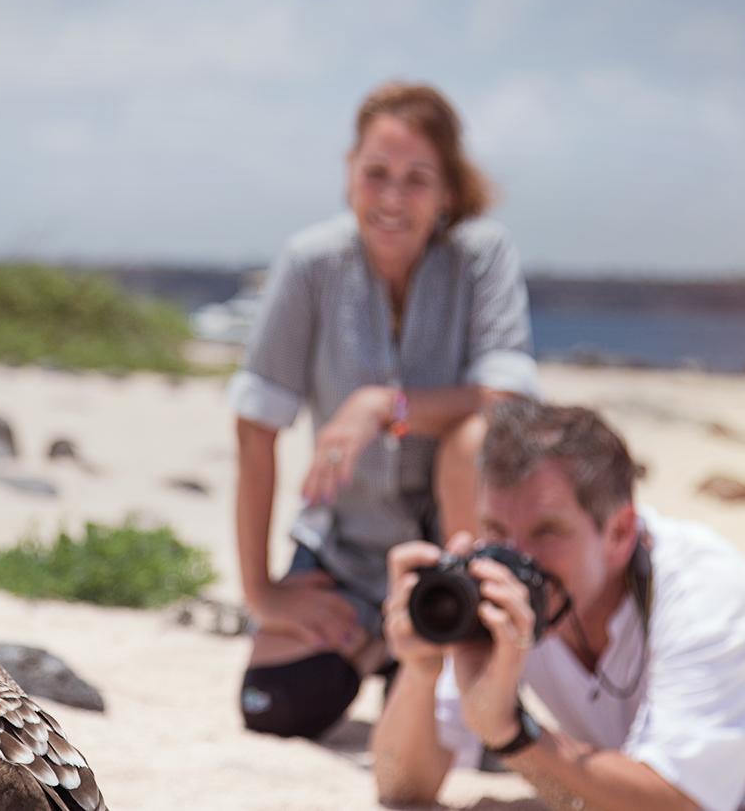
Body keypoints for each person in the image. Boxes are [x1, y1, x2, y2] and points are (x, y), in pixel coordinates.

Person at [372, 398, 745, 810]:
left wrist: (512, 736)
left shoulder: (705, 590)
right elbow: (404, 786)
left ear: (620, 533)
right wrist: (422, 671)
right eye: (495, 530)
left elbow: (679, 803)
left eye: (546, 532)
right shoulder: (501, 597)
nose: (513, 559)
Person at [228, 81, 538, 740]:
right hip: (342, 550)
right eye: (377, 174)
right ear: (350, 175)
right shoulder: (311, 264)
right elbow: (255, 427)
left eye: (416, 179)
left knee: (473, 436)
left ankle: (457, 635)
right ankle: (377, 647)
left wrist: (381, 405)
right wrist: (262, 593)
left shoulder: (482, 257)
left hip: (446, 553)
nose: (392, 198)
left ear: (448, 191)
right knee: (273, 706)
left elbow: (507, 402)